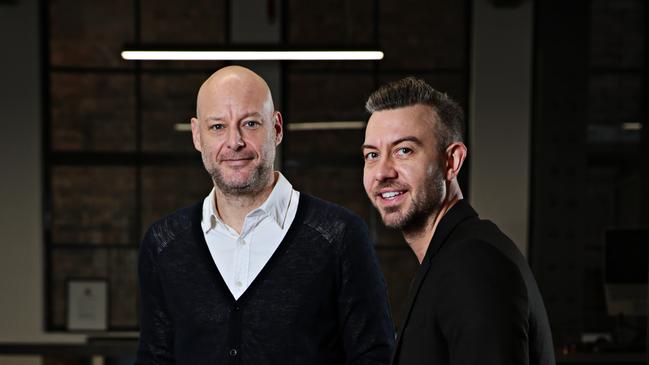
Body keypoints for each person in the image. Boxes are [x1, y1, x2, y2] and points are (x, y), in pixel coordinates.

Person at [136, 66, 394, 365]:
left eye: (250, 123)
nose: (234, 142)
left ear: (277, 128)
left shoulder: (339, 235)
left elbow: (375, 356)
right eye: (217, 127)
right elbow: (154, 358)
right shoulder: (164, 243)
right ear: (197, 135)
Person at [361, 77, 555, 365]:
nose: (382, 172)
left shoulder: (473, 262)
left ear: (451, 161)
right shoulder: (449, 258)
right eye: (372, 155)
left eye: (404, 150)